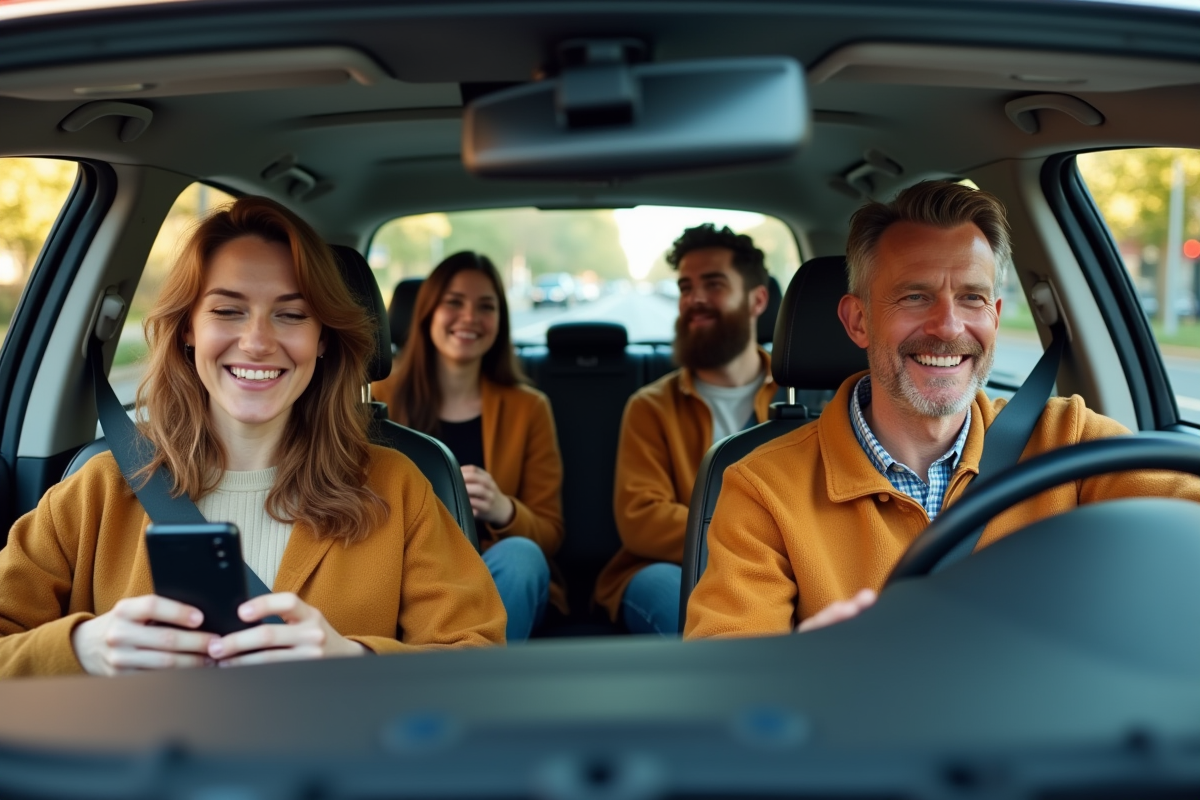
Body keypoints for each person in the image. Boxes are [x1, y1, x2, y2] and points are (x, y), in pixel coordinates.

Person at [0, 196, 507, 678]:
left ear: (322, 337)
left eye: (291, 314)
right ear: (188, 328)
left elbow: (478, 663)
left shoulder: (398, 488)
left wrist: (352, 662)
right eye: (227, 310)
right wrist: (80, 649)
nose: (258, 342)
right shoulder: (99, 488)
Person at [684, 180, 1200, 639]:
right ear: (858, 320)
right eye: (915, 296)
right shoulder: (763, 487)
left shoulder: (1070, 440)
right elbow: (723, 686)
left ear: (995, 317)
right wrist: (807, 670)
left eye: (972, 298)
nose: (949, 327)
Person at [594, 224, 778, 635]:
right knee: (690, 601)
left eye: (713, 284)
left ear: (757, 299)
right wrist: (760, 539)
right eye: (685, 287)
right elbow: (642, 520)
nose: (694, 299)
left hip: (777, 567)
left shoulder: (807, 398)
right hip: (665, 568)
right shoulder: (651, 406)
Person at [387, 252, 564, 642]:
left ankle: (482, 691)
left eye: (486, 306)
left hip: (495, 572)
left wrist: (504, 509)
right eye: (454, 302)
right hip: (403, 571)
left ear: (500, 322)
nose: (470, 317)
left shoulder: (528, 407)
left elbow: (550, 534)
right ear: (428, 311)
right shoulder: (376, 402)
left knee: (521, 556)